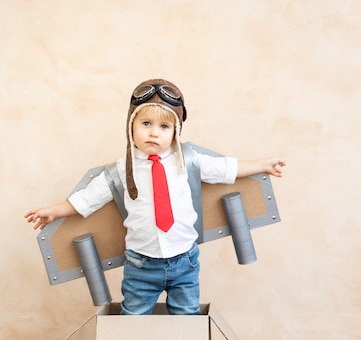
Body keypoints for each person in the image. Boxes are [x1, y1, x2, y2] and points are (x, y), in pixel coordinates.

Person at [25, 79, 285, 315]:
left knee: (186, 317)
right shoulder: (119, 170)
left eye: (164, 126)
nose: (154, 132)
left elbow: (227, 169)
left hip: (185, 260)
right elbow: (87, 199)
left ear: (175, 132)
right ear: (131, 126)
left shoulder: (189, 161)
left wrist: (263, 165)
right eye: (146, 124)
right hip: (140, 265)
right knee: (134, 320)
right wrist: (55, 211)